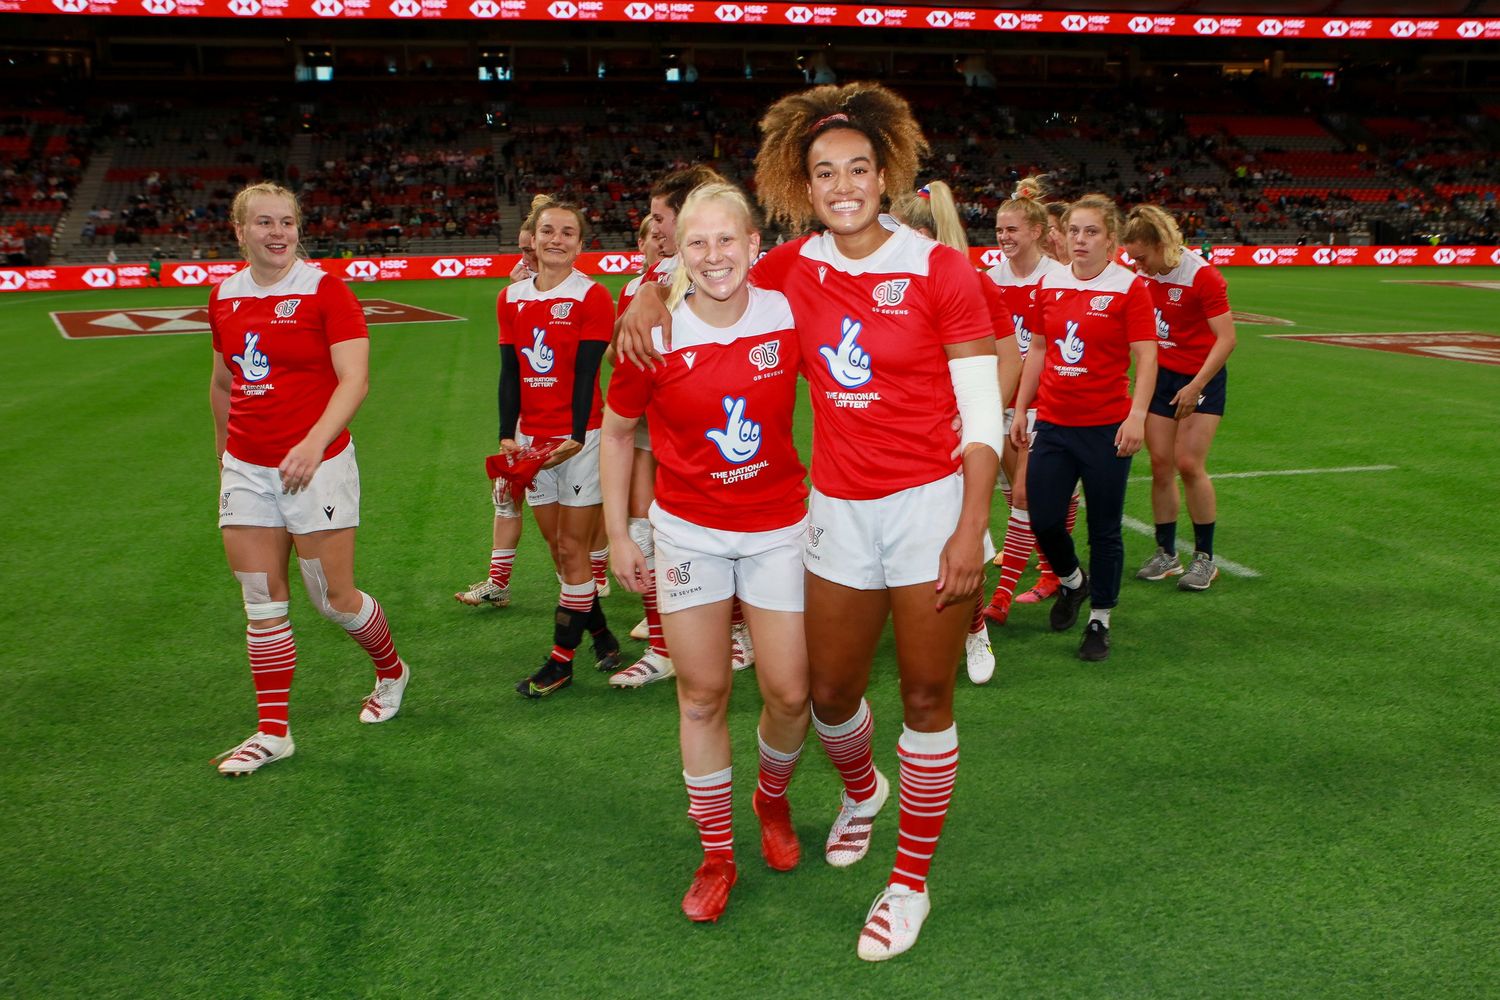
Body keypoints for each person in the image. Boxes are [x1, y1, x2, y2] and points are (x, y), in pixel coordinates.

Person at [619, 83, 1002, 962]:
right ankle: (862, 791)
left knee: (926, 696)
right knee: (827, 694)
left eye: (858, 168)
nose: (842, 185)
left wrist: (970, 526)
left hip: (931, 509)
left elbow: (983, 412)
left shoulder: (941, 269)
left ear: (886, 174)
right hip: (833, 511)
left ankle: (909, 884)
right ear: (803, 183)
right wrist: (645, 292)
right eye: (824, 172)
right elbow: (706, 268)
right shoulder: (793, 266)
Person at [602, 182, 810, 922]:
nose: (715, 255)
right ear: (677, 252)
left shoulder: (788, 310)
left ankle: (771, 800)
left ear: (755, 244)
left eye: (728, 240)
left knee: (790, 693)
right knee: (701, 695)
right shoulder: (653, 333)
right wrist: (620, 533)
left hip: (779, 528)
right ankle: (717, 855)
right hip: (690, 533)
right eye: (698, 242)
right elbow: (617, 431)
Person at [208, 181, 409, 777]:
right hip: (247, 468)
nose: (278, 233)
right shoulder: (224, 296)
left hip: (317, 468)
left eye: (287, 222)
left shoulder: (325, 290)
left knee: (333, 600)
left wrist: (313, 443)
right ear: (240, 231)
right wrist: (224, 457)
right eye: (264, 223)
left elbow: (355, 380)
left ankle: (392, 671)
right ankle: (273, 733)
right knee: (261, 602)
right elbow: (223, 382)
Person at [609, 165, 756, 689]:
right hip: (657, 426)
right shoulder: (644, 286)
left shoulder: (736, 274)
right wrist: (646, 298)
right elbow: (620, 358)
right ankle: (663, 642)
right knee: (648, 530)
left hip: (720, 431)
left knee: (728, 530)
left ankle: (738, 629)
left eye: (660, 217)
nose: (654, 228)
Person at [1008, 193, 1158, 663]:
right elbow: (1037, 348)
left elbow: (1147, 356)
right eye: (1074, 230)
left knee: (1105, 530)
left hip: (1106, 428)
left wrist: (1136, 416)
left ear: (1110, 239)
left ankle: (1100, 620)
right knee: (1043, 518)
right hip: (1053, 423)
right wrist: (1021, 408)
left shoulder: (1129, 288)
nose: (1080, 239)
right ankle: (1073, 582)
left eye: (1091, 232)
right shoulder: (1049, 282)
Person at [888, 180, 1021, 685]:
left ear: (922, 234)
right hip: (892, 435)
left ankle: (974, 627)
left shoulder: (968, 280)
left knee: (963, 535)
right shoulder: (880, 282)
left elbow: (1010, 359)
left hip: (947, 438)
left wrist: (977, 419)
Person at [500, 197, 621, 697]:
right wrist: (507, 433)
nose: (556, 239)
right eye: (548, 230)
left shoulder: (592, 296)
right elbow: (511, 372)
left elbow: (588, 374)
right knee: (559, 550)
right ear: (532, 237)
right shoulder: (510, 298)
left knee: (573, 548)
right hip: (531, 441)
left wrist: (575, 436)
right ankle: (602, 633)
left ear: (580, 243)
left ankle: (560, 661)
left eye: (568, 232)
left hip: (580, 439)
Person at [1121, 204, 1236, 591]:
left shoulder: (1202, 276)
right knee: (1160, 465)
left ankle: (1205, 558)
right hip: (1162, 377)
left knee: (1188, 464)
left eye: (1141, 257)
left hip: (1201, 377)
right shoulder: (1143, 276)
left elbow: (1226, 339)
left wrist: (1197, 385)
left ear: (1160, 244)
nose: (1137, 265)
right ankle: (1166, 553)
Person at [982, 178, 1074, 626]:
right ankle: (1056, 570)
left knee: (1025, 493)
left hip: (1045, 404)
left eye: (1012, 229)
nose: (1003, 236)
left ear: (1037, 231)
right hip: (1002, 399)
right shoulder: (989, 280)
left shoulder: (1058, 279)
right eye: (1000, 229)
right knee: (1011, 490)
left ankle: (1004, 596)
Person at [455, 215, 543, 609]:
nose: (525, 258)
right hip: (524, 415)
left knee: (570, 516)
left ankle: (591, 575)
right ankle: (498, 582)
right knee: (505, 494)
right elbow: (511, 367)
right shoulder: (514, 293)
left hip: (564, 421)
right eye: (522, 250)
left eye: (530, 249)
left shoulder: (577, 292)